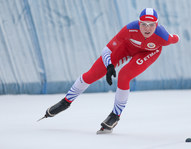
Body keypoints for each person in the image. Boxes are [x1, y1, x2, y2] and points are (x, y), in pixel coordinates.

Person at [39, 8, 179, 134]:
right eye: (143, 24)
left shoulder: (164, 37)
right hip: (126, 47)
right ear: (138, 23)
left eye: (151, 25)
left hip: (147, 53)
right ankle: (65, 102)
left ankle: (115, 116)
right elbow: (107, 50)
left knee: (124, 76)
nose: (147, 29)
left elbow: (175, 38)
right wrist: (110, 66)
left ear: (157, 25)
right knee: (93, 74)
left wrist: (176, 37)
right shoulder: (129, 29)